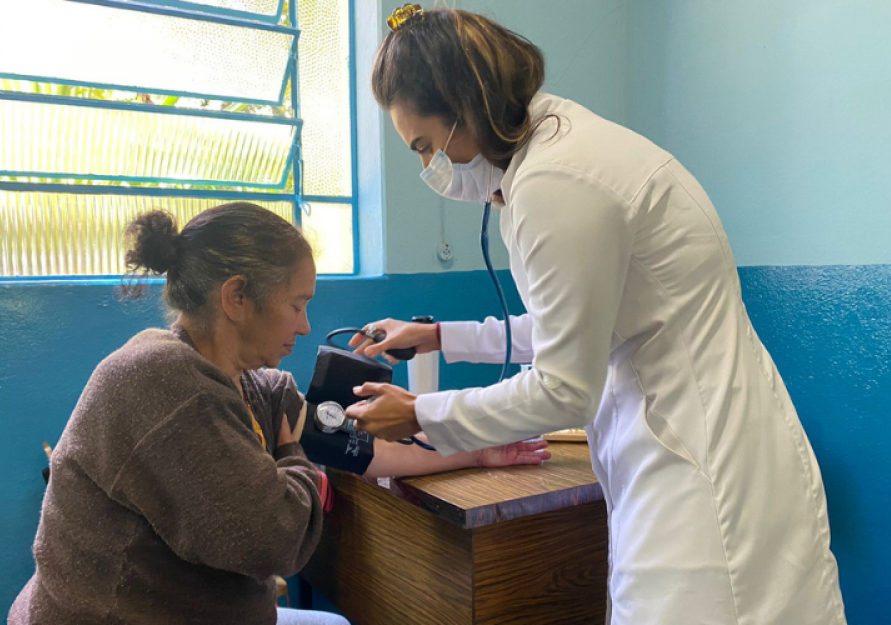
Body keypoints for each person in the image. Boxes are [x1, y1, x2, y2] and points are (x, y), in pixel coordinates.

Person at [345, 6, 847, 625]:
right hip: (690, 445)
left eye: (426, 146)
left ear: (466, 107)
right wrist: (438, 336)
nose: (429, 169)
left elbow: (564, 387)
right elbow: (575, 328)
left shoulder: (557, 183)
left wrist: (418, 413)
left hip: (703, 475)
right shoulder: (558, 148)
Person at [9, 201, 548, 625]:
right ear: (237, 297)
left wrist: (472, 449)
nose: (307, 326)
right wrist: (293, 454)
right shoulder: (165, 382)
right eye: (297, 304)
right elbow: (278, 542)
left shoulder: (251, 384)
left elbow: (355, 447)